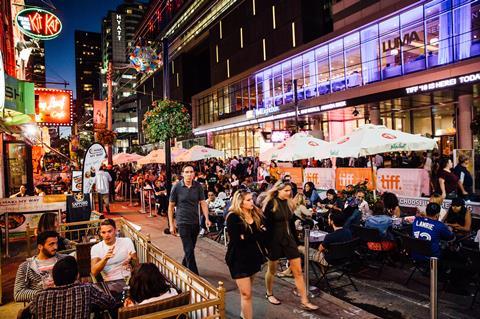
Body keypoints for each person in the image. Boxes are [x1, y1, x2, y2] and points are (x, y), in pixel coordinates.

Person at [262, 180, 318, 311]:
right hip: (274, 241)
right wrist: (267, 245)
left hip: (288, 239)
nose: (289, 193)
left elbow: (291, 223)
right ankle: (269, 293)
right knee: (272, 270)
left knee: (298, 271)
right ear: (278, 190)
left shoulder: (288, 203)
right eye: (286, 191)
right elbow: (266, 226)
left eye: (290, 191)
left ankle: (304, 300)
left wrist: (296, 242)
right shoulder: (271, 203)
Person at [29, 256, 116, 319]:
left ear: (54, 278)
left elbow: (30, 311)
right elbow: (110, 302)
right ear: (77, 276)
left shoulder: (40, 296)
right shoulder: (85, 289)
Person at [225, 189, 266, 319]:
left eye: (251, 199)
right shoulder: (233, 217)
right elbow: (237, 240)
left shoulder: (255, 214)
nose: (252, 202)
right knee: (246, 294)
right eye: (248, 200)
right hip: (238, 259)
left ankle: (244, 313)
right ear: (240, 202)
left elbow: (264, 232)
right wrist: (254, 235)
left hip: (253, 256)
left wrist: (247, 236)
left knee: (247, 292)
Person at [168, 165, 211, 275]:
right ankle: (195, 276)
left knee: (190, 248)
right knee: (188, 249)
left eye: (191, 172)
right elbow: (171, 207)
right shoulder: (176, 187)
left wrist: (206, 218)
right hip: (182, 222)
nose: (189, 174)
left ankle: (182, 266)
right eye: (186, 172)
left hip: (195, 221)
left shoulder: (198, 186)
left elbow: (203, 203)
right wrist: (172, 225)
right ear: (182, 174)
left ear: (194, 174)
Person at [14, 231, 66, 302]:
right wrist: (44, 294)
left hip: (63, 301)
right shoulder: (26, 266)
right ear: (40, 246)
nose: (55, 247)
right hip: (41, 305)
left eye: (56, 243)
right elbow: (18, 294)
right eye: (51, 244)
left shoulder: (65, 260)